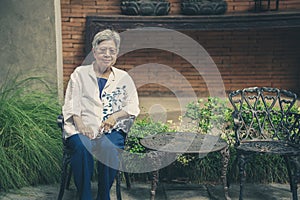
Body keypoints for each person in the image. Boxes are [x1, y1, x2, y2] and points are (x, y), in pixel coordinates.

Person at [62, 29, 140, 200]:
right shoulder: (80, 73)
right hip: (81, 127)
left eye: (112, 51)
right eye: (103, 49)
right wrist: (80, 125)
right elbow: (71, 102)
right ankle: (85, 196)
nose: (107, 54)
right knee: (82, 148)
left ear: (117, 54)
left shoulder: (123, 77)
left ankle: (104, 195)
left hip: (110, 130)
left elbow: (133, 105)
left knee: (108, 148)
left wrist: (114, 117)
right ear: (94, 51)